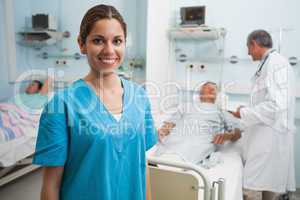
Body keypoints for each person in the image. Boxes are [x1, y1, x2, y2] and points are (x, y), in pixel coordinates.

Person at [33, 4, 157, 200]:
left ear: (125, 44)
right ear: (82, 44)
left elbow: (143, 167)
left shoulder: (140, 98)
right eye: (98, 40)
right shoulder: (62, 106)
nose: (109, 50)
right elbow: (51, 186)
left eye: (117, 41)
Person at [230, 30, 295, 200]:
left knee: (256, 182)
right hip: (266, 133)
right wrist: (246, 113)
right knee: (266, 181)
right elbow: (267, 100)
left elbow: (276, 105)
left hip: (271, 135)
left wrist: (244, 112)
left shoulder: (276, 63)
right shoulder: (269, 63)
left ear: (254, 43)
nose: (248, 52)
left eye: (248, 47)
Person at [156, 82, 241, 165]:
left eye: (214, 89)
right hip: (177, 137)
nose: (211, 89)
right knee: (169, 148)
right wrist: (164, 130)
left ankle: (173, 163)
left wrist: (228, 135)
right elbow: (171, 122)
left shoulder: (222, 112)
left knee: (187, 152)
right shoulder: (186, 106)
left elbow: (237, 133)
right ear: (200, 93)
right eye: (207, 88)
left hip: (200, 141)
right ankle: (165, 159)